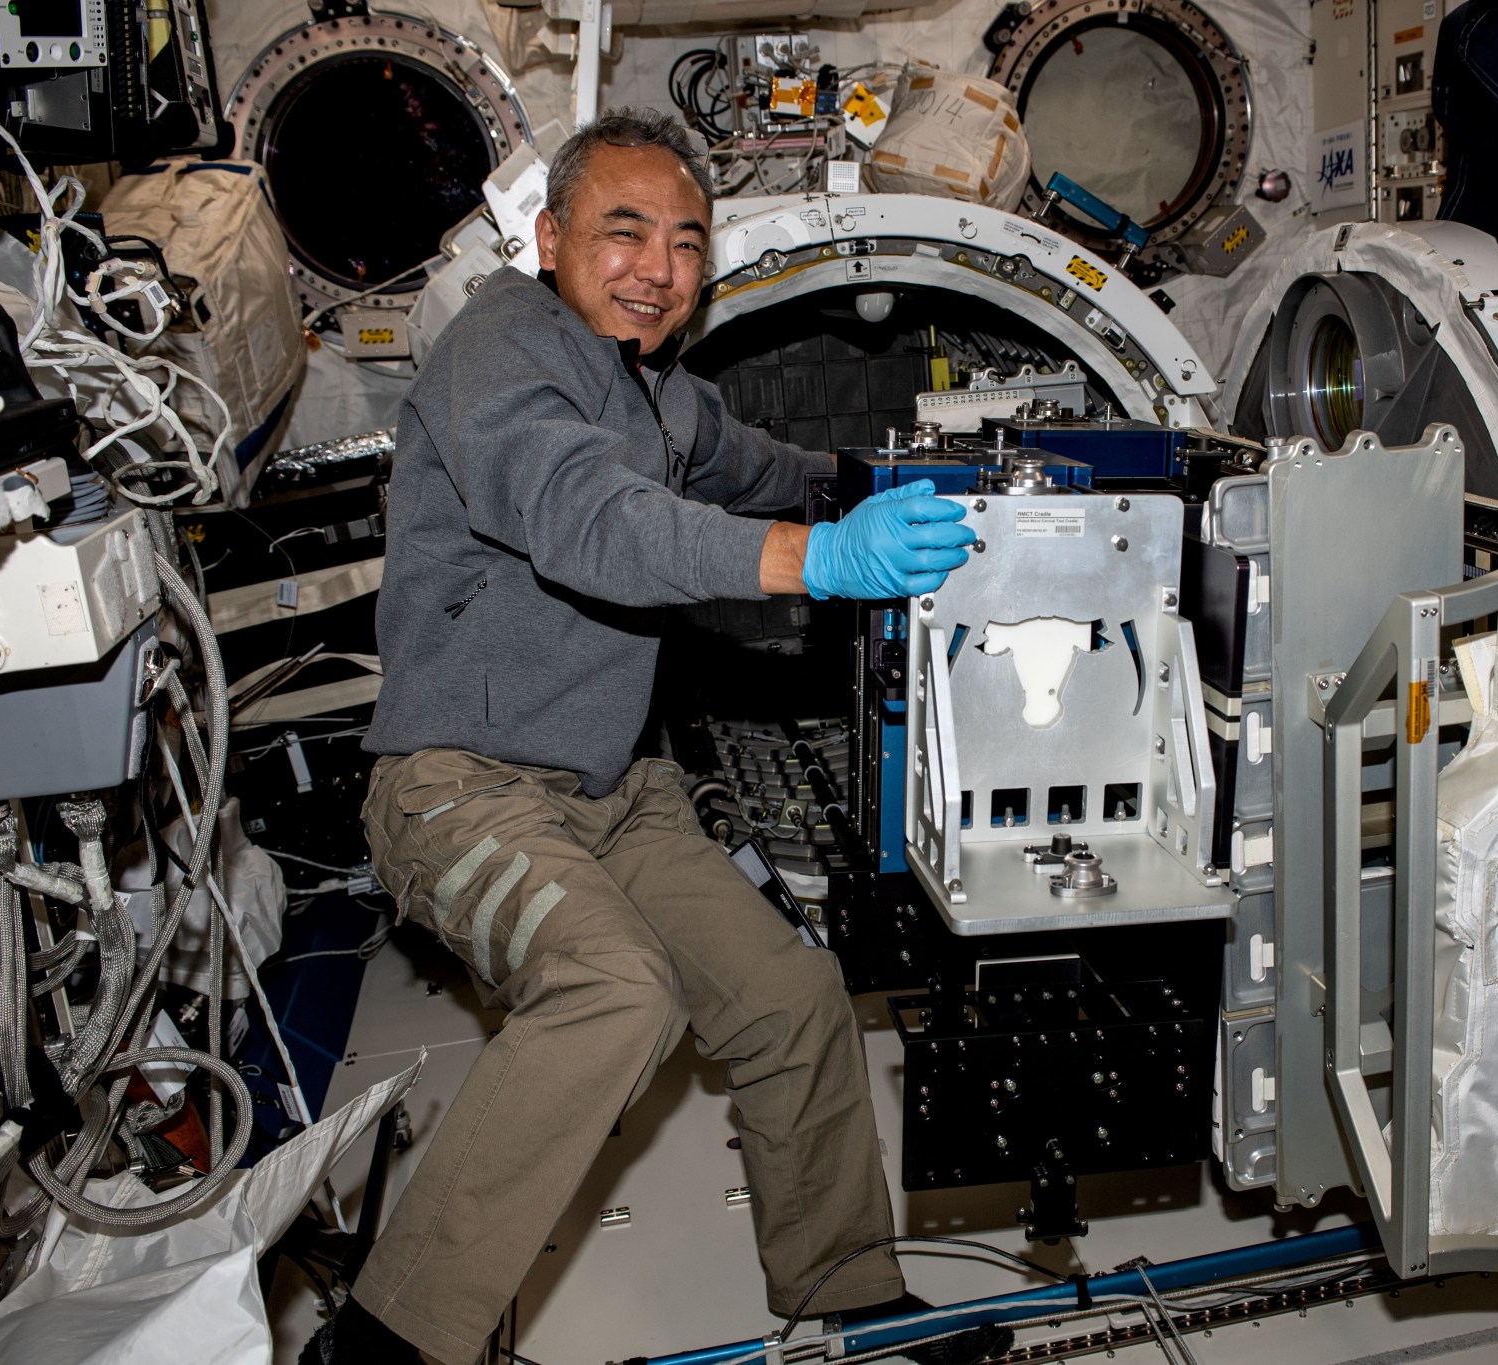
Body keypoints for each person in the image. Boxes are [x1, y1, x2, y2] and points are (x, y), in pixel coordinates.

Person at [303, 109, 989, 1365]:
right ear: (551, 239)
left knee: (788, 997)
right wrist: (814, 560)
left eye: (684, 242)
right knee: (616, 992)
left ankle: (847, 1297)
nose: (657, 269)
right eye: (623, 232)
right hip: (462, 786)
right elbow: (584, 517)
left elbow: (758, 464)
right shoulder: (501, 351)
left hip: (617, 792)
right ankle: (384, 1344)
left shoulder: (659, 391)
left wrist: (874, 481)